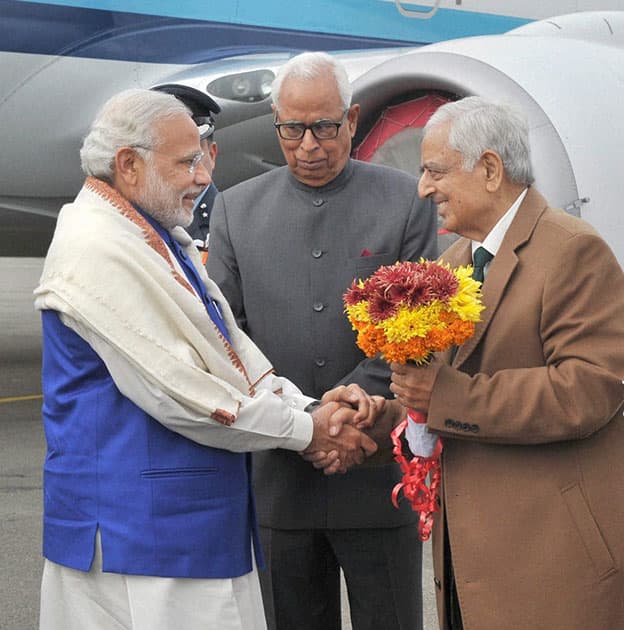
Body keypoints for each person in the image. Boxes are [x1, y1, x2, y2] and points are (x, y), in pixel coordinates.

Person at [34, 89, 381, 630]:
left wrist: (312, 405)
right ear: (128, 164)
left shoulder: (154, 235)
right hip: (140, 541)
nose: (203, 177)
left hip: (187, 528)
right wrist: (308, 431)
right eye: (187, 162)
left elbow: (230, 355)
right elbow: (184, 394)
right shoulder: (96, 247)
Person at [386, 96, 624, 630]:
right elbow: (435, 395)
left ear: (490, 169)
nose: (422, 188)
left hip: (557, 565)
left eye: (434, 171)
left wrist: (441, 397)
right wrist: (382, 415)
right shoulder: (455, 262)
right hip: (475, 564)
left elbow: (589, 390)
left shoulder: (573, 251)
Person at [207, 51, 437, 630]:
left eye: (326, 127)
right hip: (281, 480)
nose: (309, 145)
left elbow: (420, 330)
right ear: (276, 123)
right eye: (293, 129)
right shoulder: (237, 210)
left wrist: (348, 405)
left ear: (353, 120)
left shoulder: (406, 201)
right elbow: (225, 338)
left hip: (376, 470)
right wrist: (309, 418)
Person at [151, 83, 220, 252]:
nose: (186, 172)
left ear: (212, 155)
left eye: (192, 158)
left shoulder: (236, 224)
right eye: (170, 156)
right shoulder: (128, 224)